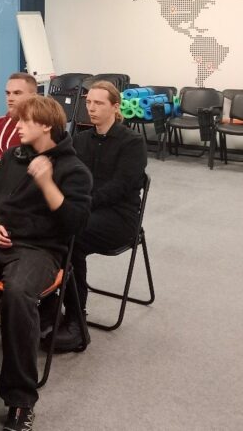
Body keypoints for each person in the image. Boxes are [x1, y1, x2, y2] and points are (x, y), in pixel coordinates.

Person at [0, 95, 92, 431]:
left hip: (41, 250)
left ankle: (21, 399)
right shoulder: (14, 156)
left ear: (46, 125)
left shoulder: (74, 169)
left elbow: (75, 224)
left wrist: (46, 182)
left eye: (25, 121)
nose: (18, 125)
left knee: (17, 295)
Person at [54, 80, 147, 352]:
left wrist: (78, 205)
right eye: (88, 102)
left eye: (98, 103)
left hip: (120, 218)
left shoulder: (132, 142)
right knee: (50, 228)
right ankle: (49, 305)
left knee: (71, 235)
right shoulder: (80, 139)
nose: (91, 108)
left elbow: (121, 187)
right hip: (86, 211)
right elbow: (67, 176)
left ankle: (76, 318)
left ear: (115, 107)